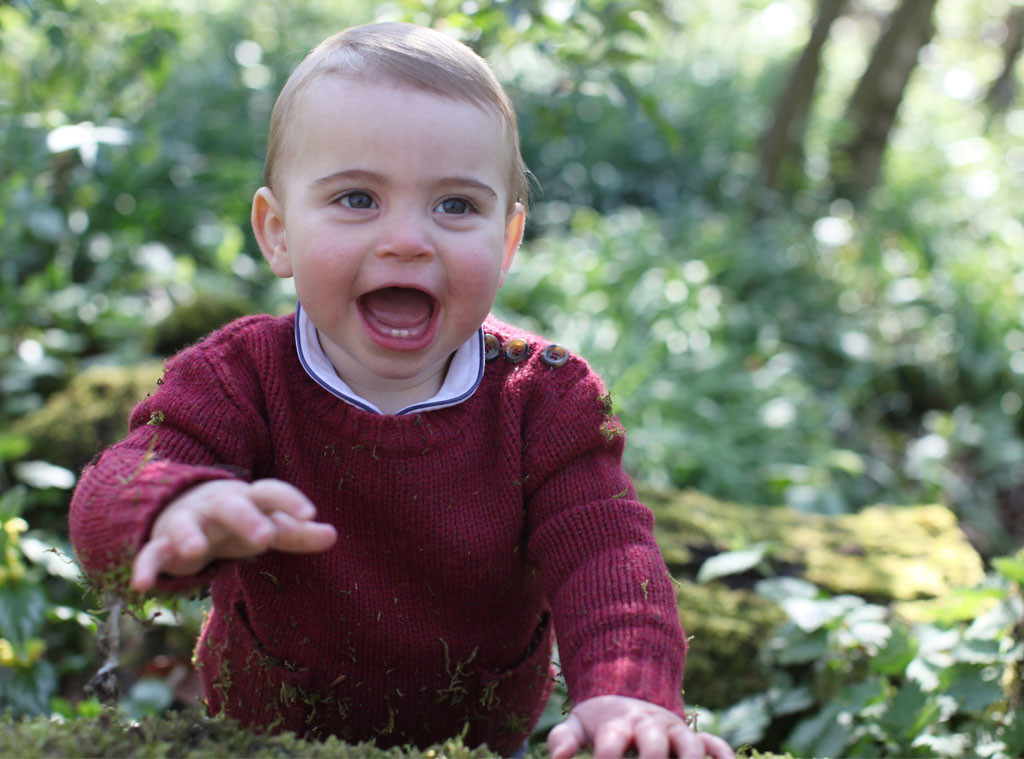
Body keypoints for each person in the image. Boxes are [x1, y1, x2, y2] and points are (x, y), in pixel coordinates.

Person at [69, 22, 734, 759]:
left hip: (475, 741)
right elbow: (111, 490)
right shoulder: (238, 376)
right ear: (278, 231)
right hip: (262, 739)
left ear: (507, 242)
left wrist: (626, 688)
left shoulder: (544, 398)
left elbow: (607, 553)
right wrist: (174, 501)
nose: (408, 240)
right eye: (357, 198)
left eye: (455, 205)